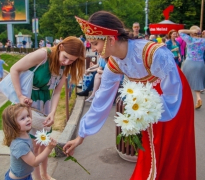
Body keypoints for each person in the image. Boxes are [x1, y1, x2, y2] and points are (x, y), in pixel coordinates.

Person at [64, 11, 196, 180]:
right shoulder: (114, 63)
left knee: (171, 146)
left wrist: (149, 111)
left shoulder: (153, 53)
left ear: (110, 39)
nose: (93, 48)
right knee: (150, 145)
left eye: (95, 43)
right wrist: (81, 136)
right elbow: (101, 99)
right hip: (146, 102)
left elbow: (173, 89)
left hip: (173, 100)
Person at [10, 36, 85, 180]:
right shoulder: (43, 54)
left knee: (44, 142)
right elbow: (14, 69)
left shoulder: (66, 66)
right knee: (32, 145)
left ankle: (44, 174)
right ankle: (35, 176)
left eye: (72, 60)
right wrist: (20, 96)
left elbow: (57, 91)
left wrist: (53, 112)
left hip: (44, 102)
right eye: (66, 58)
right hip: (28, 101)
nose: (67, 62)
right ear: (61, 47)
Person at [2, 103, 57, 180]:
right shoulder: (19, 145)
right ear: (13, 124)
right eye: (22, 118)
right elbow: (34, 162)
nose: (28, 119)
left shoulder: (25, 134)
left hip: (26, 175)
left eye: (28, 116)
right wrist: (49, 148)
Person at [179, 26, 205, 109]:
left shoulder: (190, 39)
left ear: (192, 32)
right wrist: (202, 35)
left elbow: (180, 31)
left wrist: (190, 31)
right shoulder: (204, 40)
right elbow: (202, 42)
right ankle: (198, 98)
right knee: (197, 82)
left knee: (185, 82)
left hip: (189, 62)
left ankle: (184, 101)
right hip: (200, 64)